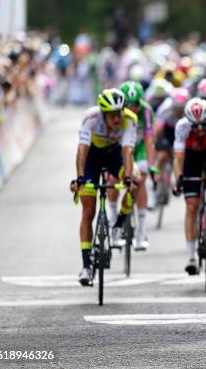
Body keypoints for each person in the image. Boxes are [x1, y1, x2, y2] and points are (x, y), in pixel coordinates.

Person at [70, 89, 137, 286]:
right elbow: (82, 149)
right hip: (93, 156)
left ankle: (118, 227)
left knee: (135, 183)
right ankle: (86, 266)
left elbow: (128, 152)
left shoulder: (129, 119)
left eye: (120, 113)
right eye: (112, 115)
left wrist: (129, 178)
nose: (117, 119)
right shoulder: (90, 118)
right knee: (88, 211)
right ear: (103, 113)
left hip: (116, 154)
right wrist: (80, 178)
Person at [173, 98, 206, 274]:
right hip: (191, 157)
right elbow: (179, 157)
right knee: (191, 206)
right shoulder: (182, 126)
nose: (200, 129)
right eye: (196, 126)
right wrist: (179, 178)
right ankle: (191, 256)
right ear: (189, 123)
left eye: (203, 124)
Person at [117, 81, 156, 250]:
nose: (133, 108)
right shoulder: (116, 111)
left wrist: (151, 163)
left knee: (140, 180)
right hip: (121, 147)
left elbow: (149, 139)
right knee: (112, 183)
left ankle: (141, 232)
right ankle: (113, 224)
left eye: (136, 104)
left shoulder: (146, 110)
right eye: (129, 104)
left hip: (139, 148)